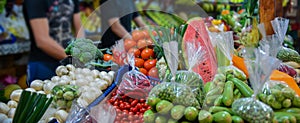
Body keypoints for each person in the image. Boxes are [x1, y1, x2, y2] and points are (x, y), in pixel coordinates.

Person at [23, 0, 84, 85]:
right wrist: (71, 58)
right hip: (44, 64)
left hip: (70, 64)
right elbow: (42, 40)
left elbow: (79, 29)